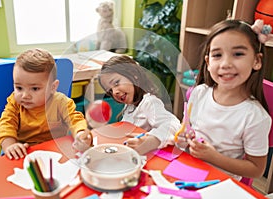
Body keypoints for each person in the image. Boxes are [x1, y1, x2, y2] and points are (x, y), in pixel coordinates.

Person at [177, 19, 272, 180]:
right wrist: (182, 137)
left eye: (238, 54)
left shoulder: (255, 117)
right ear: (208, 62)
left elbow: (256, 170)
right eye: (217, 55)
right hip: (188, 171)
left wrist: (213, 157)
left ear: (256, 61)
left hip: (221, 184)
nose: (226, 63)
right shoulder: (199, 93)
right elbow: (186, 127)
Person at [0, 48, 88, 160]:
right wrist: (10, 145)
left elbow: (75, 120)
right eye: (19, 88)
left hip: (53, 151)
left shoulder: (61, 102)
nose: (25, 95)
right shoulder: (15, 102)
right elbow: (6, 123)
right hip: (23, 151)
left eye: (34, 88)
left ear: (53, 87)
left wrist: (80, 134)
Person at [94, 55, 181, 155]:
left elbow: (173, 124)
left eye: (116, 83)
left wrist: (151, 141)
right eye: (110, 90)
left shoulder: (149, 102)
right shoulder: (130, 104)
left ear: (134, 75)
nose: (114, 92)